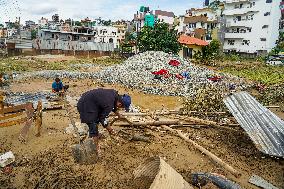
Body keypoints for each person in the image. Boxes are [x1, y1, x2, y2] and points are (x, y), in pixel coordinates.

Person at [77, 88, 131, 153]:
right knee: (93, 125)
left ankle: (92, 138)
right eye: (122, 107)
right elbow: (102, 118)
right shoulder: (109, 103)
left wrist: (118, 115)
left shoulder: (114, 95)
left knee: (95, 121)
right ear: (119, 104)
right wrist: (110, 130)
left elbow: (113, 106)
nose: (121, 108)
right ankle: (96, 149)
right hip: (85, 106)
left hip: (89, 101)